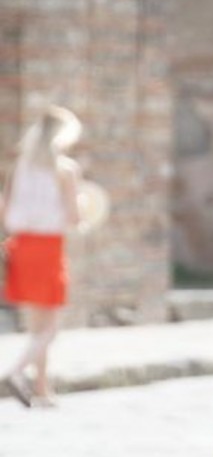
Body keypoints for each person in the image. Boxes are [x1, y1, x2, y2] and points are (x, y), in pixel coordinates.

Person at [1, 105, 83, 408]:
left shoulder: (20, 168)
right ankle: (15, 372)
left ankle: (41, 389)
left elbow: (4, 210)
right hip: (48, 246)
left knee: (38, 326)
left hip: (20, 245)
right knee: (51, 327)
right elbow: (74, 216)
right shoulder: (65, 169)